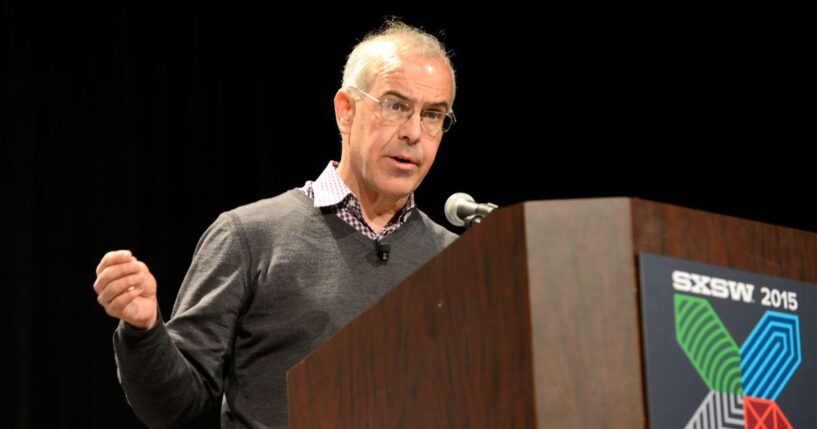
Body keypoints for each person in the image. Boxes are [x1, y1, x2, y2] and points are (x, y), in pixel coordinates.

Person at [93, 19, 459, 428]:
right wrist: (144, 329)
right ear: (346, 111)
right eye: (395, 106)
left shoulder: (456, 260)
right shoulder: (250, 237)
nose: (414, 133)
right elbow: (173, 407)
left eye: (432, 115)